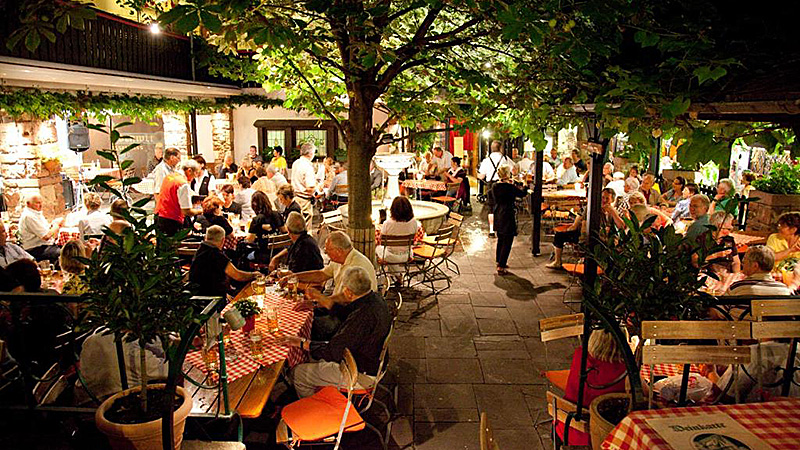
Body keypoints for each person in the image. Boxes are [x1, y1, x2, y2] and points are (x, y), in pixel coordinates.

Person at [280, 266, 391, 398]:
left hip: (361, 374)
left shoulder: (362, 317)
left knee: (298, 373)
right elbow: (345, 313)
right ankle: (320, 389)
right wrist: (316, 305)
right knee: (312, 355)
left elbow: (333, 351)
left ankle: (315, 405)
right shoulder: (374, 299)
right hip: (373, 361)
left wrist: (302, 343)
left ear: (348, 292)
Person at [555, 330, 627, 447]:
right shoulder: (624, 371)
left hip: (566, 428)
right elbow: (644, 392)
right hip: (600, 438)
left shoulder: (580, 355)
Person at [547, 188, 622, 269]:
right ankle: (557, 262)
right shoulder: (591, 208)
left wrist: (613, 213)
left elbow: (622, 227)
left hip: (604, 240)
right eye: (603, 197)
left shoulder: (612, 212)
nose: (604, 200)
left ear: (612, 200)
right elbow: (584, 228)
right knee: (559, 236)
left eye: (607, 198)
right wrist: (583, 241)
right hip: (588, 236)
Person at [189, 225, 258, 298]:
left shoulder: (201, 249)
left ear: (206, 237)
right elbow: (238, 276)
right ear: (223, 240)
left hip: (196, 294)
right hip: (211, 297)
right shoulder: (216, 254)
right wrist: (254, 274)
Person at [488, 166, 528, 275]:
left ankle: (499, 261)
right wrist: (525, 183)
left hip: (498, 213)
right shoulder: (509, 187)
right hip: (507, 214)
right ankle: (501, 266)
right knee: (508, 241)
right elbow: (522, 193)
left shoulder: (495, 186)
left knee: (500, 239)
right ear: (507, 174)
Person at [154, 160, 202, 236]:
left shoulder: (169, 177)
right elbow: (186, 211)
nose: (195, 177)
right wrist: (201, 211)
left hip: (159, 216)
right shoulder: (182, 184)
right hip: (171, 220)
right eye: (196, 173)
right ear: (189, 171)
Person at [375, 196, 419, 276]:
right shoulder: (414, 222)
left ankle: (393, 275)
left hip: (389, 256)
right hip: (407, 255)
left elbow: (381, 239)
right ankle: (399, 275)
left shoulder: (387, 223)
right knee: (392, 252)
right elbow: (416, 236)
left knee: (378, 248)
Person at [478, 140, 512, 236]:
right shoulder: (505, 159)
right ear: (500, 148)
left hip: (491, 186)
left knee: (491, 208)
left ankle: (492, 230)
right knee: (503, 206)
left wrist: (477, 174)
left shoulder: (486, 160)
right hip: (503, 184)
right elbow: (515, 169)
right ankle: (502, 228)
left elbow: (481, 176)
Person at [18, 193, 63, 263]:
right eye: (37, 203)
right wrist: (56, 225)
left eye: (41, 202)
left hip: (45, 245)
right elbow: (46, 236)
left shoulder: (36, 213)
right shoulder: (29, 216)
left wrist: (52, 226)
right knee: (64, 254)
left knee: (69, 248)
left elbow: (46, 229)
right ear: (28, 204)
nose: (41, 205)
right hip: (35, 249)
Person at [291, 142, 318, 231]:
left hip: (295, 198)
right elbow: (310, 188)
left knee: (296, 227)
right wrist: (317, 189)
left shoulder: (296, 163)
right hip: (304, 200)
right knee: (305, 229)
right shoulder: (307, 166)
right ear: (310, 153)